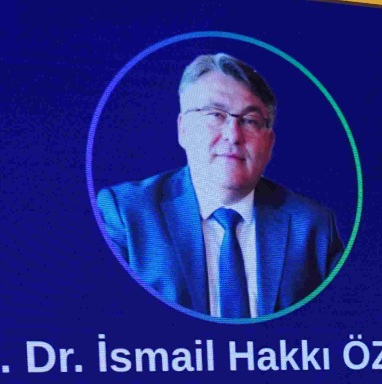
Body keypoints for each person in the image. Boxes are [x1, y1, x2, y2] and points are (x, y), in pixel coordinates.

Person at [96, 53, 343, 318]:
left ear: (269, 143)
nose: (233, 135)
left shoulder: (312, 226)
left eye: (250, 121)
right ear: (183, 129)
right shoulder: (126, 214)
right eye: (216, 115)